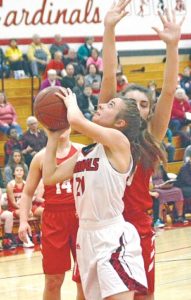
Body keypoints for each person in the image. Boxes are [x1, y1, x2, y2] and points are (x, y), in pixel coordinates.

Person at [99, 1, 184, 299]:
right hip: (102, 227)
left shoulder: (151, 139)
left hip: (137, 227)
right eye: (131, 102)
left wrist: (173, 47)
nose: (138, 107)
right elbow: (108, 78)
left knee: (144, 296)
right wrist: (108, 29)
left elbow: (170, 91)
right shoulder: (107, 134)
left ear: (148, 113)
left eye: (144, 104)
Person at [42, 87, 148, 300]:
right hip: (85, 236)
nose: (101, 105)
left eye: (110, 106)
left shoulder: (120, 143)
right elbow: (50, 177)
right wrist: (53, 136)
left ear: (120, 123)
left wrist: (71, 101)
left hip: (111, 236)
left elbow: (78, 121)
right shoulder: (86, 151)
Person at [18, 128, 85, 300]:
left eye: (63, 123)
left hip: (82, 218)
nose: (60, 128)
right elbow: (27, 193)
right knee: (53, 280)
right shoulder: (40, 157)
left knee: (85, 278)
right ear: (47, 127)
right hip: (53, 219)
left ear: (70, 125)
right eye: (55, 124)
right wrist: (24, 221)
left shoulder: (83, 151)